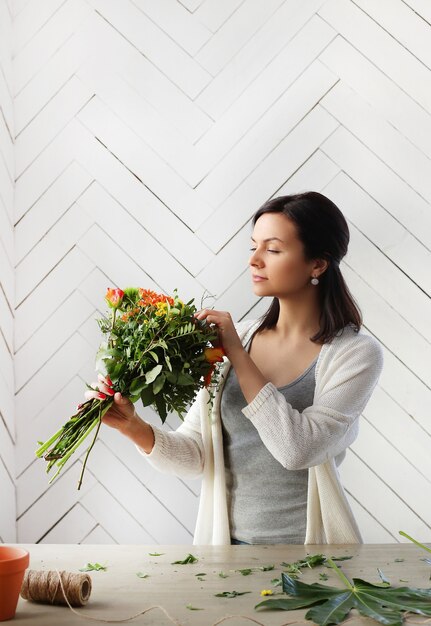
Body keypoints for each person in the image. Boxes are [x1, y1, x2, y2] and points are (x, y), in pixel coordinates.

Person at [94, 192, 384, 545]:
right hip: (227, 552)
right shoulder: (240, 338)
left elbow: (299, 451)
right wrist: (134, 427)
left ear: (318, 264)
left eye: (273, 250)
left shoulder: (354, 354)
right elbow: (199, 454)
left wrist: (237, 354)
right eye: (253, 247)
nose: (255, 261)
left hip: (313, 558)